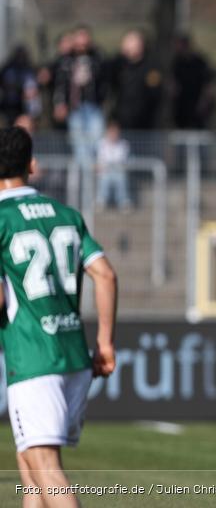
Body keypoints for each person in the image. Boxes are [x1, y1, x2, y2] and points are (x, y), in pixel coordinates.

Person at [0, 126, 117, 507]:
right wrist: (104, 343)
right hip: (74, 357)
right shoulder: (66, 214)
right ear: (31, 165)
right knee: (31, 467)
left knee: (46, 468)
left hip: (33, 357)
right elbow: (105, 275)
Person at [52, 25, 106, 166]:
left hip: (94, 107)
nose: (82, 41)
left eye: (85, 37)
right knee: (79, 146)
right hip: (75, 108)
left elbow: (104, 77)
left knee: (96, 144)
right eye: (79, 37)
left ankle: (93, 176)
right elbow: (60, 84)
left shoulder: (97, 57)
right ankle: (83, 176)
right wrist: (59, 103)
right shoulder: (66, 59)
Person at [107, 30, 163, 130]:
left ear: (140, 45)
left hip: (145, 123)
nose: (127, 46)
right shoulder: (118, 64)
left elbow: (155, 95)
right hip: (121, 122)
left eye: (131, 42)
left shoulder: (151, 66)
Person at [171, 33, 214, 130]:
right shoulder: (177, 62)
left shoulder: (200, 62)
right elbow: (174, 83)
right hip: (181, 107)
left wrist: (204, 101)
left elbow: (208, 84)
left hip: (197, 105)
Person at [0, 46, 41, 127]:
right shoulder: (8, 69)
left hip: (25, 105)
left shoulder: (29, 69)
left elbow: (34, 87)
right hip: (9, 105)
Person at [96, 121, 132, 211]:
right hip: (105, 171)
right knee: (104, 179)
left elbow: (122, 159)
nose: (114, 134)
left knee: (121, 178)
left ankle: (123, 202)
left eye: (115, 132)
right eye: (112, 132)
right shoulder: (101, 143)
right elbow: (100, 159)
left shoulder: (124, 144)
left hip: (118, 170)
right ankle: (101, 202)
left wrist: (113, 165)